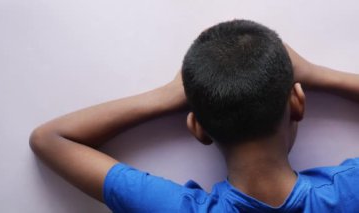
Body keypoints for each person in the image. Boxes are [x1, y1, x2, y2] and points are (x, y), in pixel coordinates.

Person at [29, 19, 359, 212]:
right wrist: (316, 73)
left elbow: (51, 139)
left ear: (197, 128)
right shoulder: (350, 191)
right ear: (298, 103)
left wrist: (170, 95)